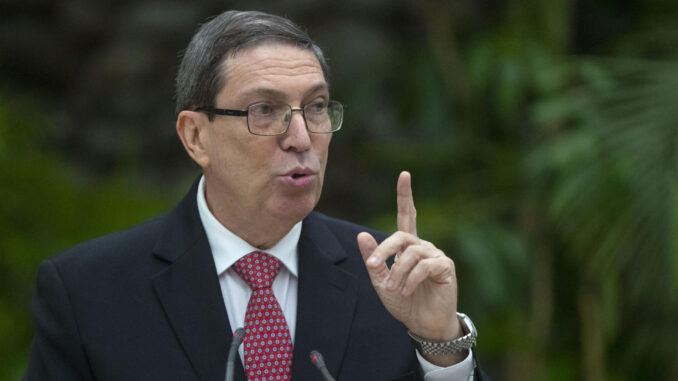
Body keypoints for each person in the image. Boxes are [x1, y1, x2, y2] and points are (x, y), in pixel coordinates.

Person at [24, 10, 490, 381]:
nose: (302, 138)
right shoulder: (89, 292)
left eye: (317, 107)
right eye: (265, 110)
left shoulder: (392, 282)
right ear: (195, 137)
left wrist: (439, 345)